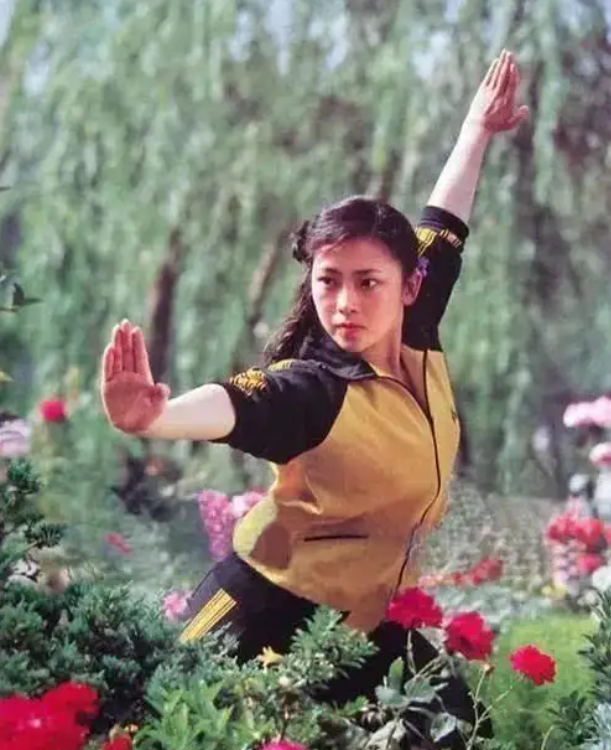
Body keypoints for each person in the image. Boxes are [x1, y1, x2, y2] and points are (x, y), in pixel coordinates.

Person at [101, 50, 528, 749]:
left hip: (361, 621)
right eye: (328, 281)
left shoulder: (417, 333)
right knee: (153, 732)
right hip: (259, 612)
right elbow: (239, 405)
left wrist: (476, 130)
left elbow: (444, 223)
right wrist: (156, 417)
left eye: (367, 282)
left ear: (409, 287)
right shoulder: (313, 389)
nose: (345, 302)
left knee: (457, 731)